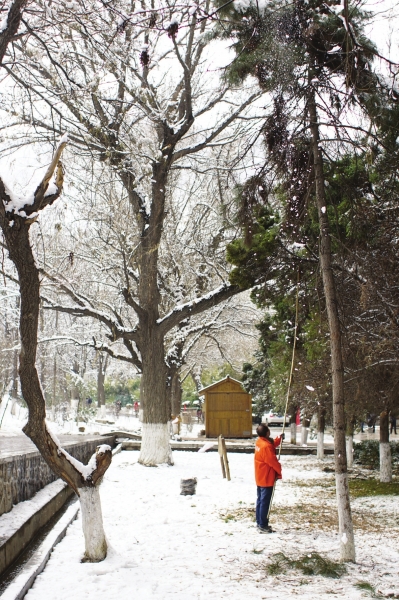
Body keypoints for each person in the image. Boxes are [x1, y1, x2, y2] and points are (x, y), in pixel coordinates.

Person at [254, 423, 284, 534]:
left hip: (260, 476)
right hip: (266, 477)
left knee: (260, 500)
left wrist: (279, 438)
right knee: (264, 502)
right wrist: (279, 471)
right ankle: (262, 525)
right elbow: (273, 461)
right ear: (267, 433)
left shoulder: (260, 442)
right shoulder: (265, 447)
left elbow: (271, 445)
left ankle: (259, 522)